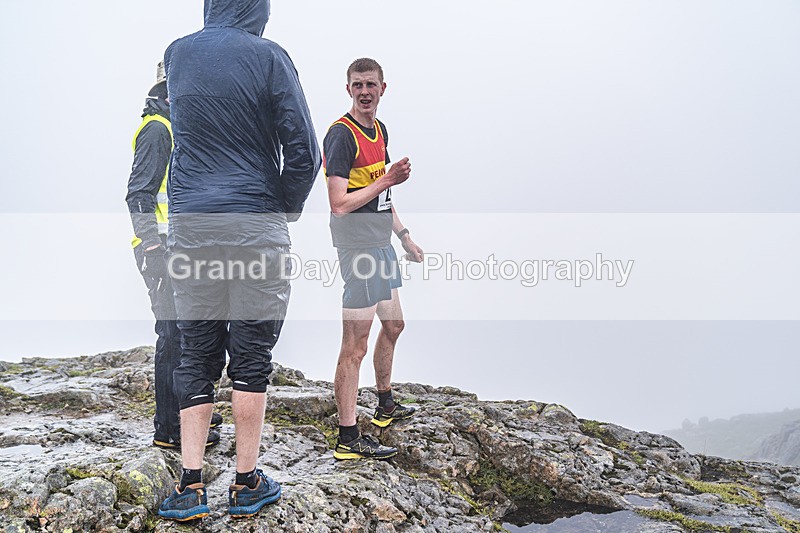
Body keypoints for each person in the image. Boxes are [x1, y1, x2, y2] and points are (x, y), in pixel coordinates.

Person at [157, 0, 320, 522]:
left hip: (191, 224)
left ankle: (190, 484)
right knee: (251, 352)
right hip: (255, 223)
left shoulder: (177, 54)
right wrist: (285, 207)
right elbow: (304, 149)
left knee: (196, 350)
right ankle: (247, 481)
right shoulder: (270, 57)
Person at [323, 58, 424, 461]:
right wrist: (387, 179)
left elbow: (381, 196)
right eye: (358, 84)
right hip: (358, 251)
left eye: (372, 85)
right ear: (348, 89)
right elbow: (338, 203)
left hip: (381, 244)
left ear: (384, 89)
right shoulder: (341, 136)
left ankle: (384, 405)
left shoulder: (379, 130)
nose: (365, 91)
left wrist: (404, 236)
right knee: (355, 345)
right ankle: (348, 438)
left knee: (395, 324)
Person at [125, 61, 221, 451]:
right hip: (161, 250)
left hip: (179, 247)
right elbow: (139, 193)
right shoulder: (157, 130)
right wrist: (152, 245)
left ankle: (184, 418)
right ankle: (169, 428)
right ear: (170, 95)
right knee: (173, 337)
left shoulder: (171, 129)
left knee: (189, 335)